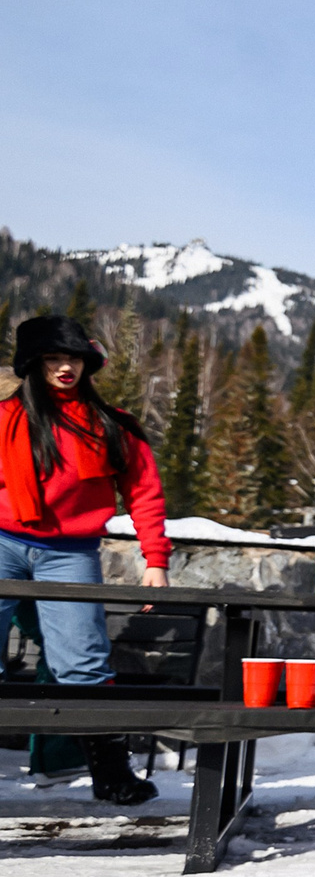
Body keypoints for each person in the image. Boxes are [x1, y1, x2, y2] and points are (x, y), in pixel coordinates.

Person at [0, 315, 170, 805]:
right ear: (34, 365)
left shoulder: (112, 425)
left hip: (69, 552)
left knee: (83, 661)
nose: (64, 367)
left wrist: (154, 559)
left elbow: (145, 494)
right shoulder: (6, 419)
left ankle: (112, 775)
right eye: (52, 358)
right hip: (3, 542)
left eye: (72, 358)